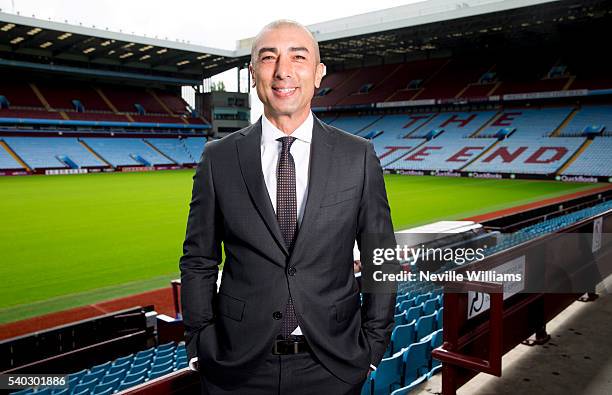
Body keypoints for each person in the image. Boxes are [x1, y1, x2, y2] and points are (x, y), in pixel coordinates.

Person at [179, 19, 396, 395]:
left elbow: (381, 255)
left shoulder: (358, 156)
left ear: (318, 73)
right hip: (238, 368)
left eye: (298, 57)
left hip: (332, 364)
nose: (282, 71)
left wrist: (373, 345)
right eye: (268, 58)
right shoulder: (218, 158)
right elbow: (198, 258)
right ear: (252, 74)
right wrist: (200, 342)